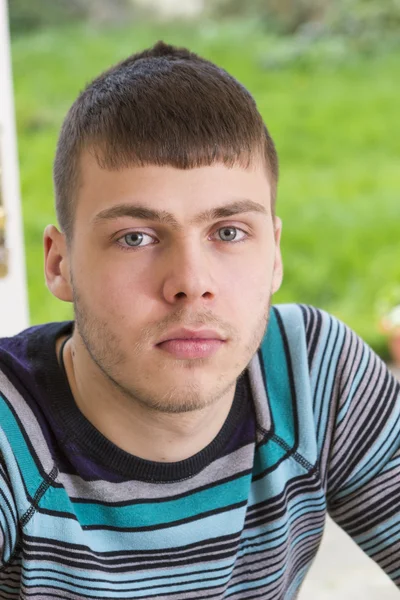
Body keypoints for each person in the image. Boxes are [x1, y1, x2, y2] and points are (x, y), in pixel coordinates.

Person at [0, 41, 399, 599]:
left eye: (229, 232)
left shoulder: (310, 375)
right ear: (59, 263)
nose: (191, 282)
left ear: (275, 253)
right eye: (135, 237)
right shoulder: (10, 430)